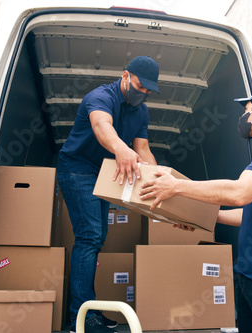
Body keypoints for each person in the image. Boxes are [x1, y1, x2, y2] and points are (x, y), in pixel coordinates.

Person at [139, 87, 252, 333]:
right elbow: (249, 212)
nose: (242, 118)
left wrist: (177, 186)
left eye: (246, 110)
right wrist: (202, 218)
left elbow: (240, 193)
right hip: (251, 277)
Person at [56, 56, 159, 333]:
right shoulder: (100, 96)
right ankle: (81, 315)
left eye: (149, 91)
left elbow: (144, 148)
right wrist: (122, 150)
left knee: (97, 237)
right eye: (140, 86)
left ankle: (88, 308)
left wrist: (158, 176)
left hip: (102, 174)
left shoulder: (142, 112)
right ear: (125, 76)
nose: (144, 93)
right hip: (76, 169)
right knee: (90, 236)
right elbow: (103, 128)